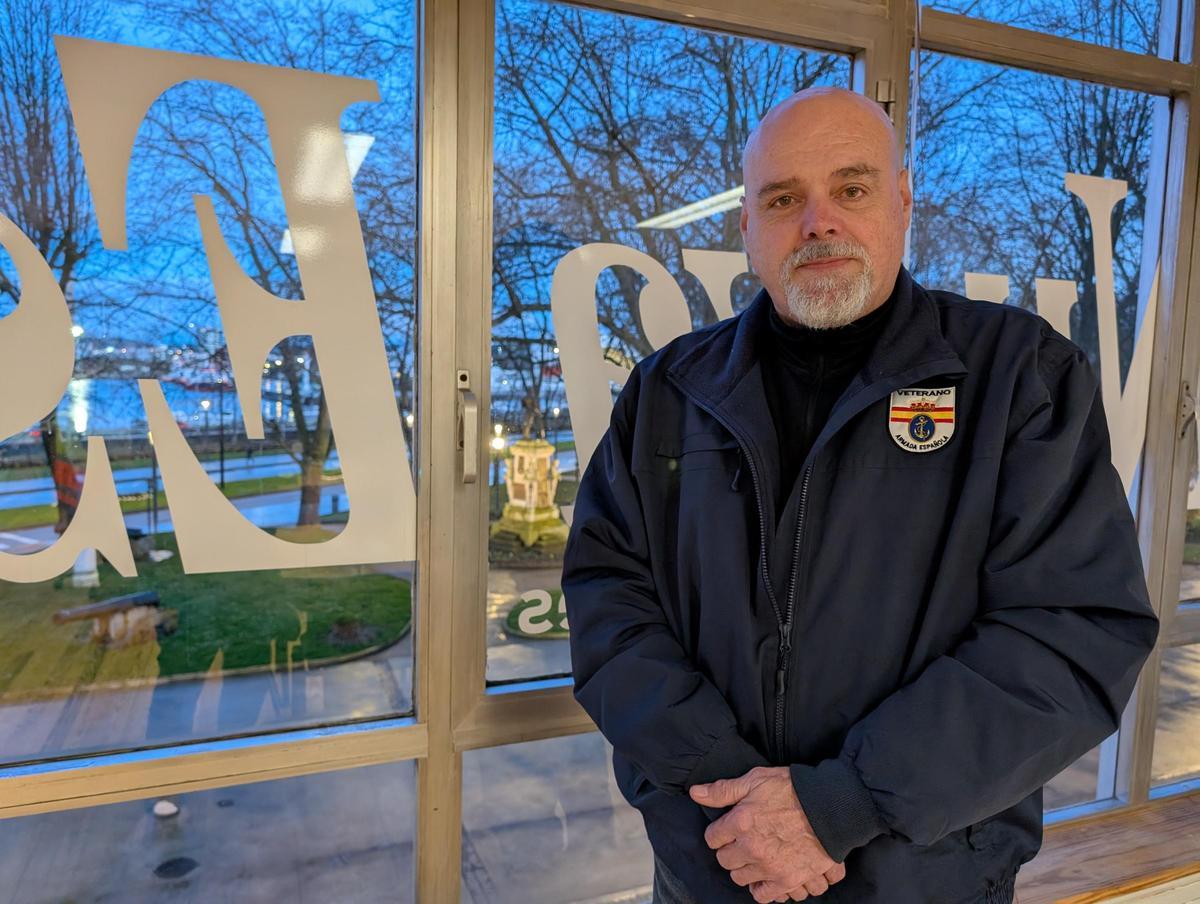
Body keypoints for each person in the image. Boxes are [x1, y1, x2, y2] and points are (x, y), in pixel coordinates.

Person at [561, 86, 1160, 904]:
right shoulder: (668, 393)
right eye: (783, 199)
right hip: (714, 869)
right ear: (747, 226)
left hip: (925, 880)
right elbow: (609, 601)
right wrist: (739, 804)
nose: (819, 222)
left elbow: (1075, 631)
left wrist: (839, 804)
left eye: (851, 187)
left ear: (902, 202)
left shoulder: (1019, 379)